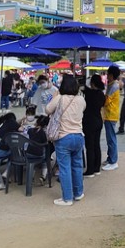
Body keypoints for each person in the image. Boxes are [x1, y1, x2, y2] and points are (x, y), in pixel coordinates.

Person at [45, 74, 85, 206]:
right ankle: (78, 193)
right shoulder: (81, 100)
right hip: (79, 136)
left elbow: (47, 110)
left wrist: (56, 95)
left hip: (63, 136)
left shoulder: (60, 98)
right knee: (77, 165)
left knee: (65, 168)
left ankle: (67, 198)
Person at [82, 74, 105, 177]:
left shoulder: (89, 94)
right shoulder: (101, 94)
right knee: (97, 145)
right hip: (98, 120)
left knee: (89, 146)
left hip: (89, 122)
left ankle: (90, 170)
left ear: (92, 83)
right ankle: (97, 168)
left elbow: (84, 88)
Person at [102, 65, 122, 171]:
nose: (107, 76)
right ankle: (110, 158)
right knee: (110, 138)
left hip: (111, 115)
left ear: (112, 75)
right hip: (109, 115)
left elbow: (106, 101)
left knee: (111, 139)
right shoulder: (111, 84)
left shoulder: (113, 86)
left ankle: (113, 161)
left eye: (108, 74)